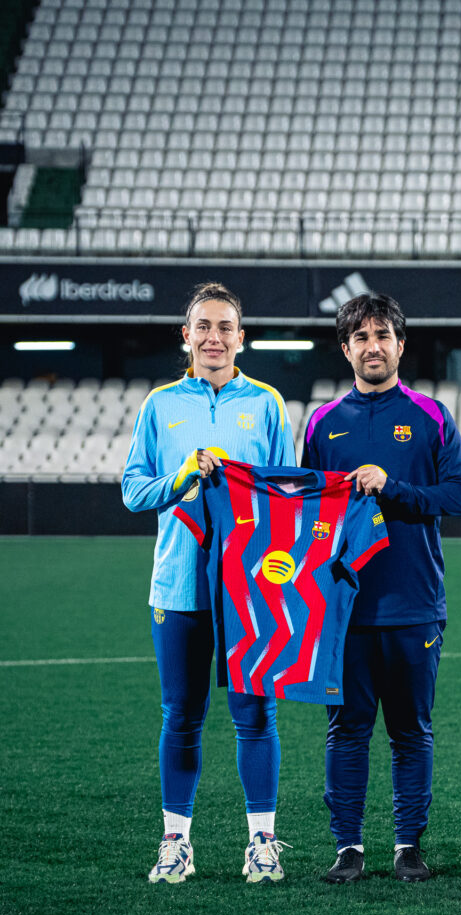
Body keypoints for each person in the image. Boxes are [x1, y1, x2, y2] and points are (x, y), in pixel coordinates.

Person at [122, 282, 295, 884]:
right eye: (204, 326)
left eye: (226, 327)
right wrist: (183, 477)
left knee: (255, 715)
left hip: (251, 586)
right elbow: (132, 490)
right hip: (178, 585)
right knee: (181, 717)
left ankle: (263, 842)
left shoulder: (269, 404)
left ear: (241, 338)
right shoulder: (159, 406)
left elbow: (287, 498)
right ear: (187, 336)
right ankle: (176, 843)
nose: (214, 337)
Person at [301, 292, 461, 884]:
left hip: (413, 606)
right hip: (343, 610)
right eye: (360, 338)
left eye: (383, 335)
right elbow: (304, 515)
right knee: (346, 731)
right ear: (345, 348)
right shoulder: (323, 423)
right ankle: (348, 847)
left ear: (401, 344)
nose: (372, 347)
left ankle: (408, 846)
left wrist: (391, 487)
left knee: (410, 732)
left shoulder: (430, 417)